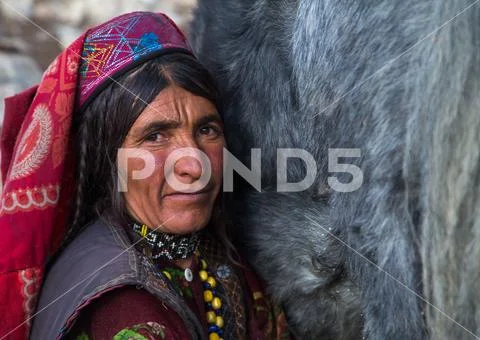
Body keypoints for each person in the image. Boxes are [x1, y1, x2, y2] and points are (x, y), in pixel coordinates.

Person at [0, 11, 289, 339]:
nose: (195, 166)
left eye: (207, 129)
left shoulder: (212, 253)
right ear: (108, 158)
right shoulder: (123, 309)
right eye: (156, 136)